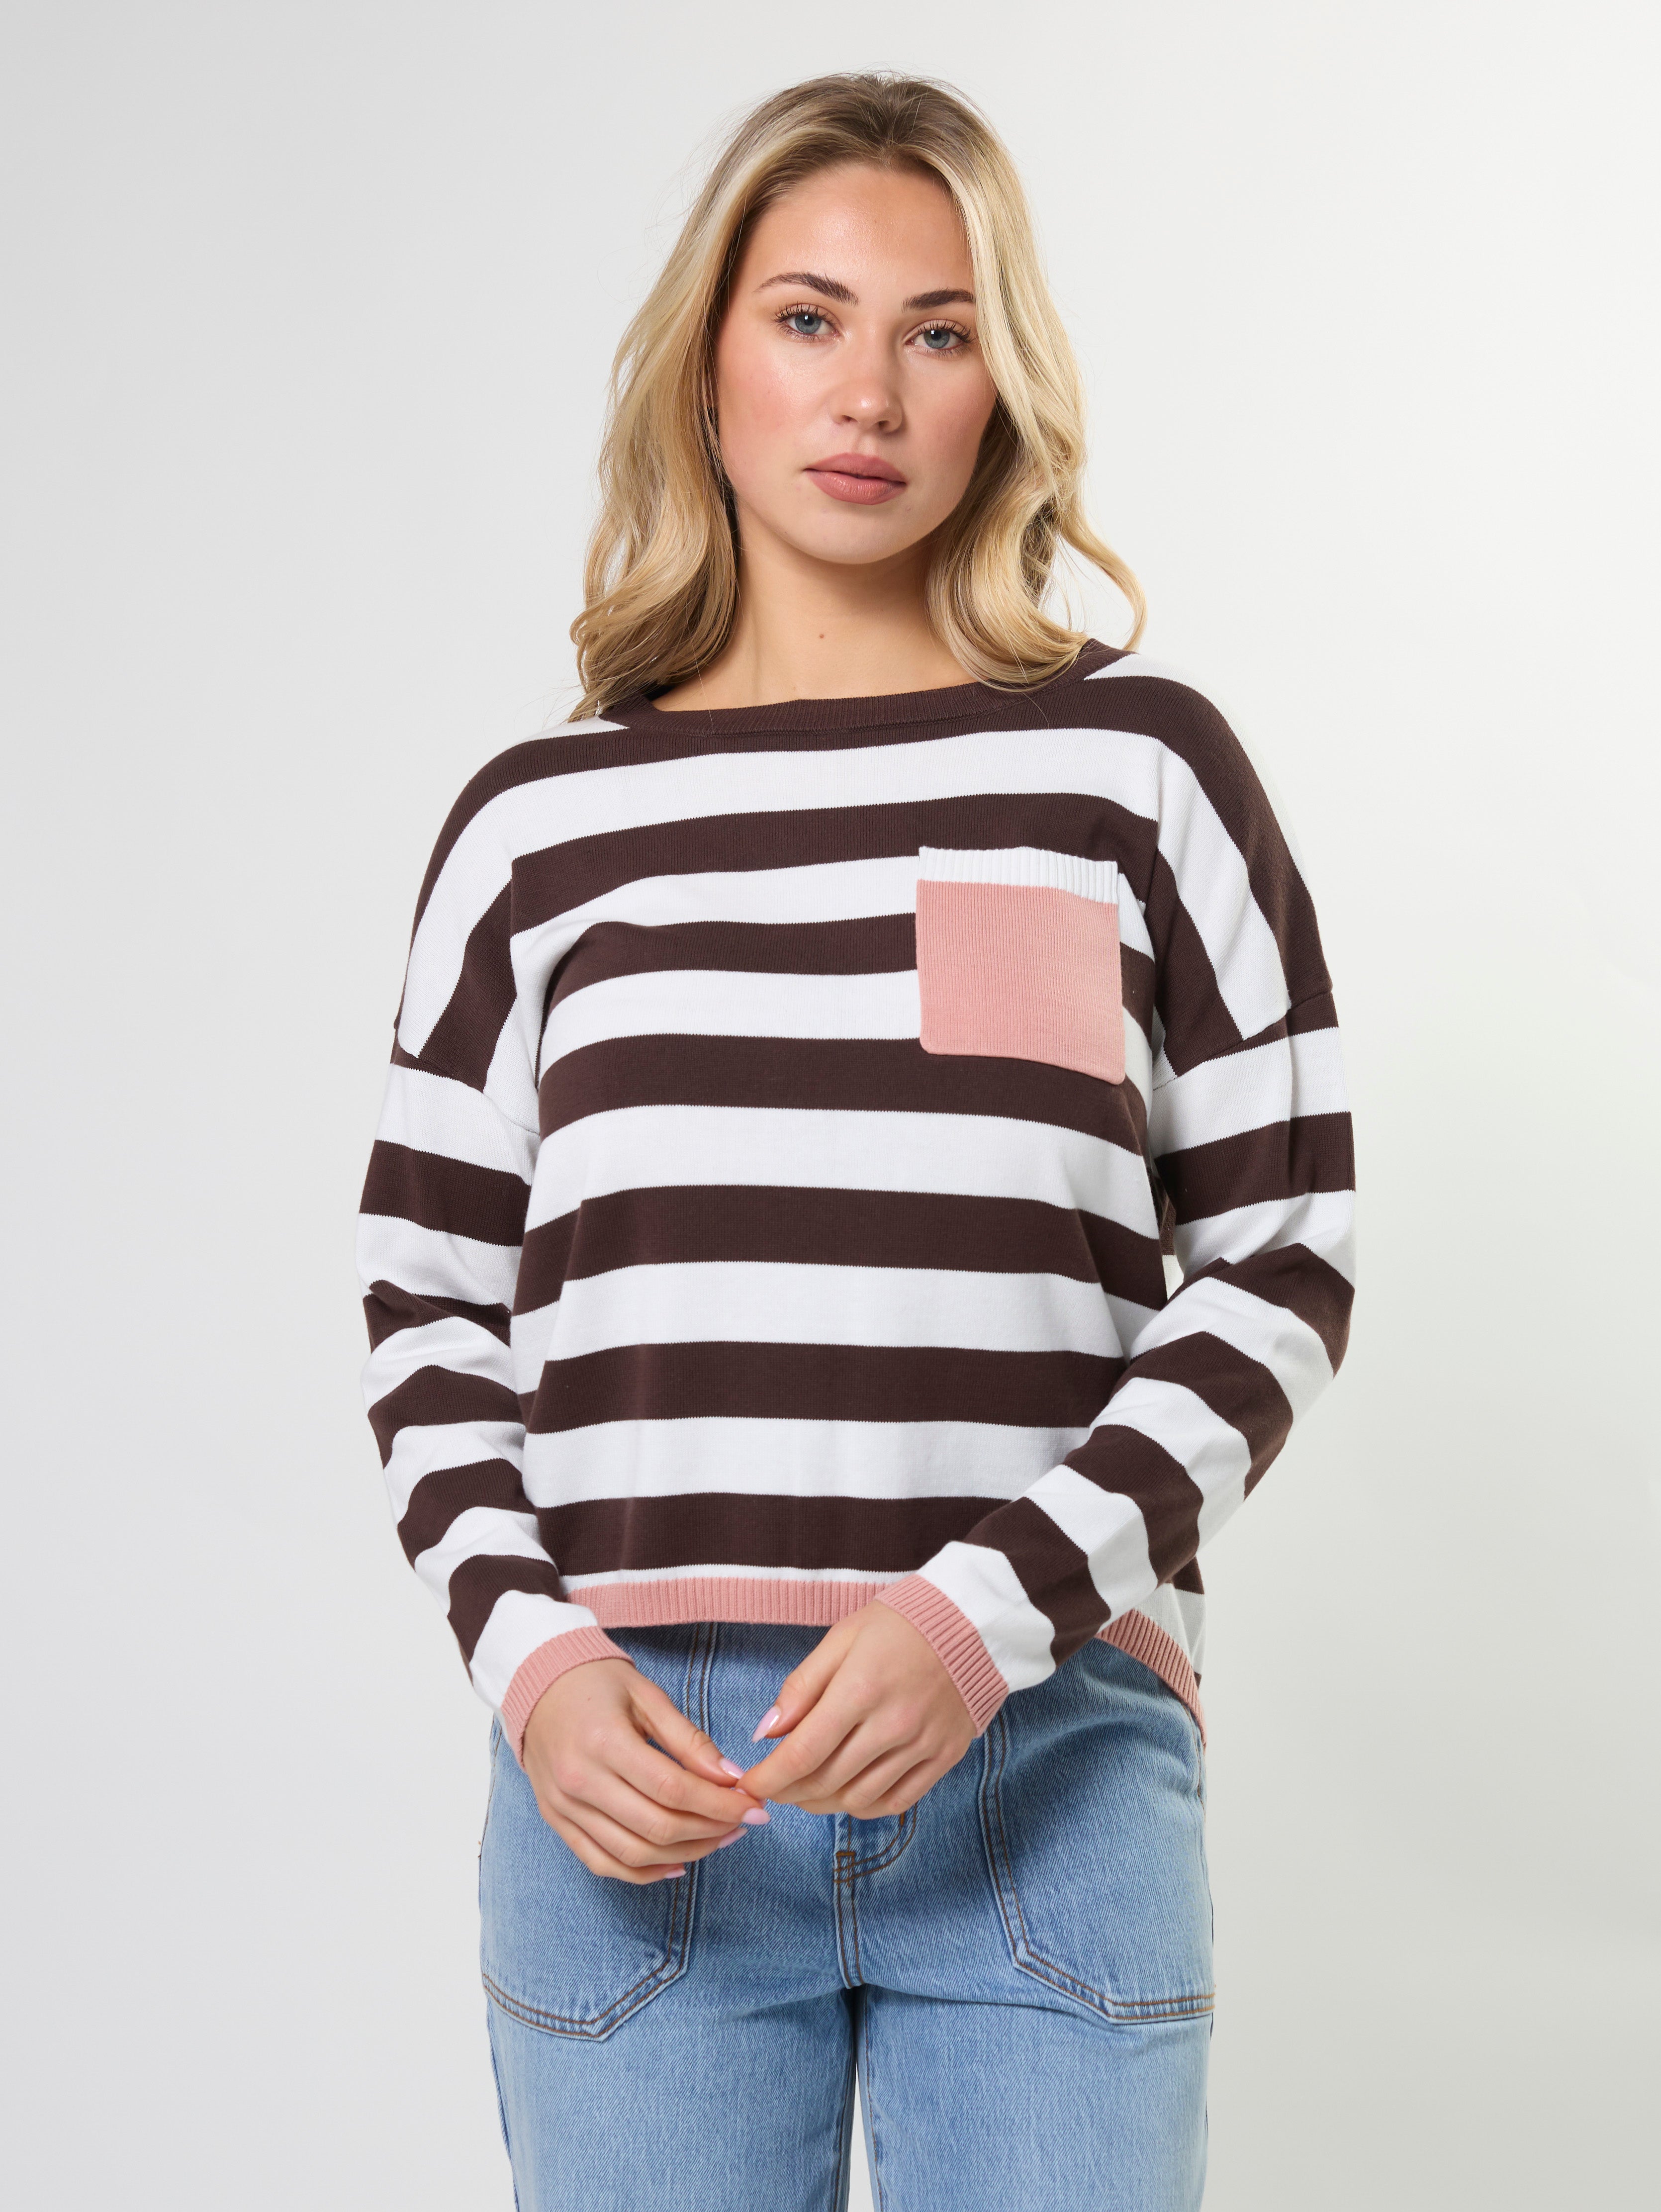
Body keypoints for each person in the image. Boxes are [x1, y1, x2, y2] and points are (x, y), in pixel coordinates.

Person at [357, 70, 1354, 2212]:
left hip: (1044, 1751)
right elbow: (424, 1304)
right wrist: (534, 1665)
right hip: (634, 1784)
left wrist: (982, 1613)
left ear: (1004, 380)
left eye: (937, 328)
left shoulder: (1134, 771)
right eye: (808, 317)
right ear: (705, 359)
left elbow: (1283, 1259)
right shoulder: (538, 830)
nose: (869, 391)